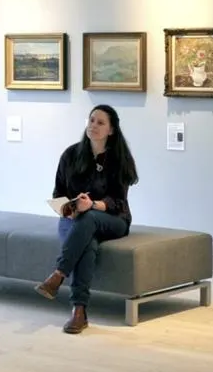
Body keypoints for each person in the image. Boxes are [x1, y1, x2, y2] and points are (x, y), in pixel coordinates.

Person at [35, 104, 139, 334]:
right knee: (87, 244)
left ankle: (59, 274)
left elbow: (118, 202)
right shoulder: (70, 155)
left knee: (89, 218)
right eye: (91, 120)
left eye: (100, 123)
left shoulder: (119, 159)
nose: (93, 126)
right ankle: (78, 311)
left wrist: (91, 205)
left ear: (111, 130)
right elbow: (58, 193)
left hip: (113, 219)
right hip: (74, 219)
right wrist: (70, 208)